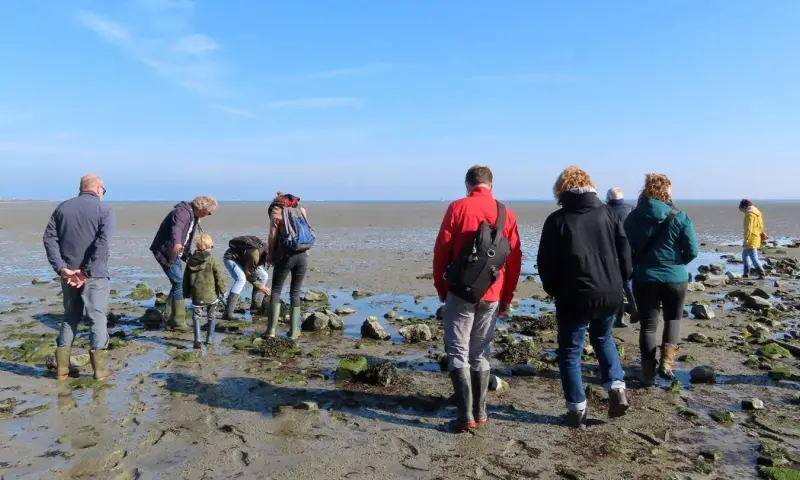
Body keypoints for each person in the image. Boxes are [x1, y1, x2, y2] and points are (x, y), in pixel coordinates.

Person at [537, 166, 631, 428]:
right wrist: (620, 282)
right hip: (609, 291)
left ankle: (577, 410)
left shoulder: (557, 220)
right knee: (603, 338)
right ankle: (616, 388)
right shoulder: (609, 215)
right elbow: (625, 255)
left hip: (573, 296)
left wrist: (554, 290)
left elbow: (545, 264)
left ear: (561, 189)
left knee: (570, 352)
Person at [433, 165, 522, 432]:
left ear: (467, 185)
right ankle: (481, 412)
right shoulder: (507, 213)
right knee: (480, 351)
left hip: (460, 291)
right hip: (493, 291)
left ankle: (465, 416)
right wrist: (507, 297)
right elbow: (515, 258)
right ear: (491, 185)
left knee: (458, 350)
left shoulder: (458, 208)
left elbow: (442, 250)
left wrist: (441, 287)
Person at [624, 174, 698, 386]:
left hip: (645, 278)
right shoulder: (680, 216)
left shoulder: (633, 217)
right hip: (675, 278)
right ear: (665, 191)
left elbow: (625, 248)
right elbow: (692, 250)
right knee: (673, 319)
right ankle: (666, 364)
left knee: (648, 326)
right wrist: (677, 263)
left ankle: (647, 375)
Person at [43, 174, 115, 381]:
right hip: (94, 275)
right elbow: (103, 244)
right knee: (97, 318)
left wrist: (62, 268)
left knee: (70, 317)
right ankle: (100, 371)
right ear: (99, 188)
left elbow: (49, 239)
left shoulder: (62, 208)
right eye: (103, 190)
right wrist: (85, 271)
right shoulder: (105, 210)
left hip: (69, 274)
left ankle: (62, 369)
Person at [150, 196, 218, 332]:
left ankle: (169, 319)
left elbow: (187, 235)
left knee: (177, 284)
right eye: (209, 211)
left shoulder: (193, 215)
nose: (209, 214)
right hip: (167, 251)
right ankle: (178, 322)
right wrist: (177, 243)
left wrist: (188, 254)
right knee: (179, 283)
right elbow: (178, 228)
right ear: (201, 208)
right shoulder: (182, 212)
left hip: (178, 251)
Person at [263, 192, 315, 339]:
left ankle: (271, 331)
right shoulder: (301, 210)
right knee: (295, 292)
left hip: (286, 256)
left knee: (276, 290)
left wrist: (270, 254)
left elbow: (272, 236)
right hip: (303, 255)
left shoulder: (277, 212)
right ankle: (293, 332)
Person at [183, 233, 226, 348]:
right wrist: (223, 290)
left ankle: (197, 339)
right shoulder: (212, 260)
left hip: (196, 295)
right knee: (212, 315)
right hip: (211, 295)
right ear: (210, 246)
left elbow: (186, 279)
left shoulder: (190, 261)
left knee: (196, 316)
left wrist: (186, 293)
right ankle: (209, 339)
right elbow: (219, 277)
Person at [606, 187, 637, 328]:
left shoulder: (604, 211)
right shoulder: (632, 210)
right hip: (629, 252)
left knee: (617, 286)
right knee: (628, 283)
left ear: (609, 198)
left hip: (610, 253)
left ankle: (619, 318)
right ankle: (636, 309)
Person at [222, 236, 271, 320]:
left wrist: (260, 285)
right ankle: (228, 313)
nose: (272, 263)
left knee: (264, 276)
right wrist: (261, 286)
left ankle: (255, 307)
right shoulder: (255, 255)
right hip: (231, 258)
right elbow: (248, 275)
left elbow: (251, 268)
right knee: (241, 280)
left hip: (245, 260)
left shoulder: (266, 252)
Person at [739, 199, 766, 279]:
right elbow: (761, 226)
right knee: (745, 255)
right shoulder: (757, 212)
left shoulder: (749, 214)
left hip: (751, 238)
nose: (742, 212)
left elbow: (749, 228)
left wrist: (746, 239)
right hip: (756, 236)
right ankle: (746, 273)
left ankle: (761, 274)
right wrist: (761, 232)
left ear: (744, 207)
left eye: (742, 210)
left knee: (753, 257)